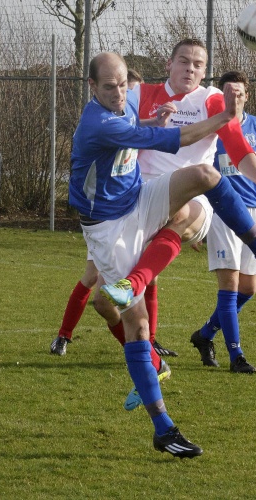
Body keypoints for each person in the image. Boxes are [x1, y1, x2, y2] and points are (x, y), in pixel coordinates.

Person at [70, 51, 256, 457]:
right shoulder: (98, 121)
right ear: (92, 87)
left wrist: (145, 120)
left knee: (203, 175)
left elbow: (137, 127)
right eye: (109, 86)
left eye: (123, 83)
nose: (119, 92)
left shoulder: (124, 105)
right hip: (108, 230)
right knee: (136, 326)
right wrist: (227, 116)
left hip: (137, 200)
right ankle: (163, 428)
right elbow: (180, 138)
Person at [98, 39, 256, 409]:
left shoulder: (211, 101)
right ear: (169, 63)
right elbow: (116, 127)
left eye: (199, 64)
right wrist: (146, 121)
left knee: (193, 189)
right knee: (103, 301)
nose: (191, 69)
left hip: (193, 202)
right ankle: (153, 364)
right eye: (184, 61)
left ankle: (138, 282)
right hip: (137, 205)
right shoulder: (141, 93)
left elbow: (238, 146)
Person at [50, 67, 177, 358]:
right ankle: (65, 335)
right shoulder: (104, 124)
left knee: (148, 278)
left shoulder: (127, 119)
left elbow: (135, 130)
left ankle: (149, 343)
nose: (122, 97)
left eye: (127, 90)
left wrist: (153, 122)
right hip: (106, 214)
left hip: (131, 209)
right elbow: (134, 135)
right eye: (116, 88)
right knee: (93, 281)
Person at [190, 70, 256, 374]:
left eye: (239, 91)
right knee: (229, 286)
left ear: (247, 95)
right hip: (220, 212)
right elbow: (198, 171)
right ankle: (237, 356)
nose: (235, 96)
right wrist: (198, 220)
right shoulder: (211, 128)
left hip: (254, 210)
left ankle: (205, 335)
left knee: (248, 289)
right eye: (228, 91)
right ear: (221, 96)